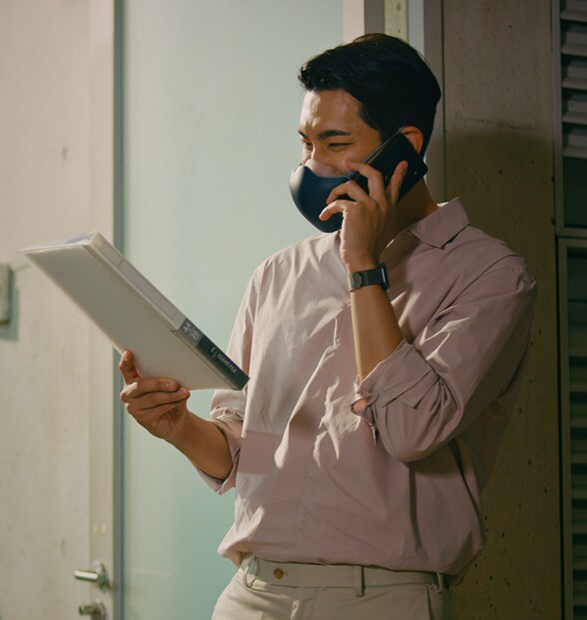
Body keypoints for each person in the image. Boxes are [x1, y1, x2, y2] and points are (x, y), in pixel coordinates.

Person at [119, 33, 537, 619]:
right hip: (252, 591)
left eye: (334, 143)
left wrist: (364, 268)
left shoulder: (492, 276)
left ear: (405, 147)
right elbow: (242, 452)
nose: (311, 166)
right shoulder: (278, 274)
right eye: (305, 143)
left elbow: (412, 430)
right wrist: (178, 427)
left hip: (381, 599)